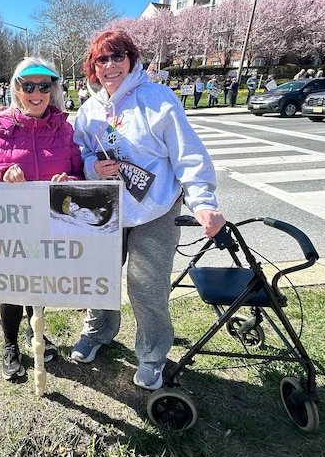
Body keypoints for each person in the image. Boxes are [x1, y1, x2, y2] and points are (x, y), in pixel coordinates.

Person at [69, 30, 225, 391]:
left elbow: (188, 154)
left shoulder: (158, 99)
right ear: (92, 67)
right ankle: (97, 333)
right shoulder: (90, 109)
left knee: (147, 288)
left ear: (132, 59)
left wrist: (203, 202)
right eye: (102, 59)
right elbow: (80, 153)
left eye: (118, 56)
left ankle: (153, 356)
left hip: (154, 211)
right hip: (105, 209)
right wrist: (93, 167)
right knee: (99, 278)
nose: (110, 65)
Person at [0, 57, 84, 381]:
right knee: (13, 289)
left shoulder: (64, 129)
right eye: (27, 85)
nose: (36, 92)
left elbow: (80, 175)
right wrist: (1, 173)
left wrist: (69, 183)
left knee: (40, 286)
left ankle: (37, 335)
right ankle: (10, 345)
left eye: (44, 86)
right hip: (10, 227)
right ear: (15, 89)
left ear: (52, 89)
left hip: (49, 225)